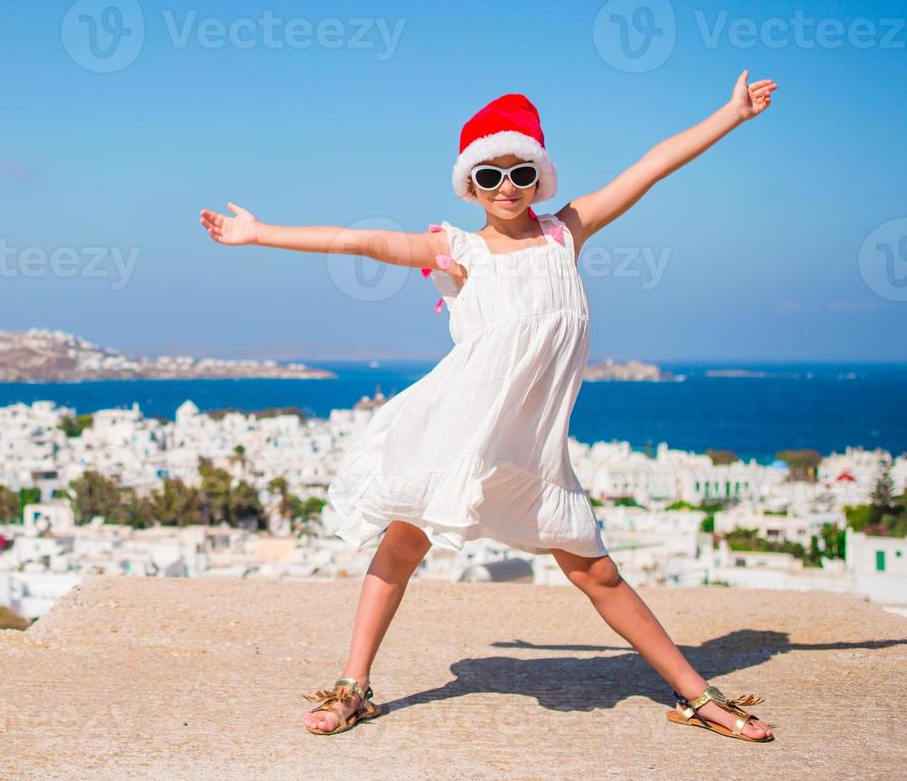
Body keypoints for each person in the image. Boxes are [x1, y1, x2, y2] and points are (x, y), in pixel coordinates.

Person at [197, 71, 780, 742]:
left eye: (521, 172)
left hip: (530, 449)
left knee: (597, 571)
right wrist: (259, 232)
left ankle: (696, 694)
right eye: (491, 175)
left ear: (542, 178)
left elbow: (649, 167)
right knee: (403, 541)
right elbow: (355, 241)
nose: (508, 187)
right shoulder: (458, 249)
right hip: (459, 430)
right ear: (469, 184)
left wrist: (730, 114)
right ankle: (353, 686)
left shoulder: (566, 235)